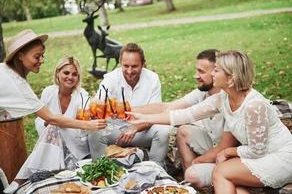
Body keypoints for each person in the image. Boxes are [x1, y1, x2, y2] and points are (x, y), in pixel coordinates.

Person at [128, 50, 292, 193]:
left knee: (221, 172)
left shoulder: (254, 106)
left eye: (217, 70)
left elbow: (258, 150)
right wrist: (146, 118)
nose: (213, 74)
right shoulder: (223, 98)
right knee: (235, 187)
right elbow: (185, 115)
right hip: (256, 156)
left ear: (230, 78)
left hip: (279, 158)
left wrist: (227, 152)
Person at [0, 30, 106, 191]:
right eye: (37, 56)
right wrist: (88, 125)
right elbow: (50, 119)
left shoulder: (2, 70)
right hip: (56, 138)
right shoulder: (15, 82)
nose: (42, 60)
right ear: (20, 55)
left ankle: (18, 182)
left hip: (73, 145)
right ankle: (18, 183)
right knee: (53, 125)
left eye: (42, 56)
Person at [133, 49, 229, 189]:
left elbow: (181, 115)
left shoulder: (225, 98)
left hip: (226, 153)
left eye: (201, 71)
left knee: (183, 128)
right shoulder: (203, 92)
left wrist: (199, 162)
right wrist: (128, 109)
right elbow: (169, 107)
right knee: (183, 131)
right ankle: (191, 187)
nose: (195, 76)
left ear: (216, 71)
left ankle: (195, 177)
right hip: (212, 144)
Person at [88, 42, 170, 167]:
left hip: (141, 131)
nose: (130, 71)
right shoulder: (110, 79)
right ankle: (101, 171)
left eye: (134, 66)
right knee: (95, 131)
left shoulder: (152, 79)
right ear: (120, 63)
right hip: (115, 132)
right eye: (125, 66)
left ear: (143, 64)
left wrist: (135, 128)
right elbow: (97, 110)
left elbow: (155, 114)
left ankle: (156, 169)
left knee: (163, 130)